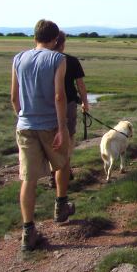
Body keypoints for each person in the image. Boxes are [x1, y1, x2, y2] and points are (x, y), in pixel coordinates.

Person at [10, 19, 76, 252]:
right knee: (62, 163)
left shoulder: (18, 58)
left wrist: (22, 117)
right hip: (50, 124)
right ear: (56, 39)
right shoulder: (58, 59)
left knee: (28, 178)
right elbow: (59, 96)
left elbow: (14, 98)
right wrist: (61, 127)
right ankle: (61, 206)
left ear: (35, 36)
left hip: (25, 124)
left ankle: (28, 231)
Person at [48, 31, 90, 188]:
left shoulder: (43, 61)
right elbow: (80, 85)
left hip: (47, 105)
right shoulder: (71, 60)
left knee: (50, 138)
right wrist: (85, 103)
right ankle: (64, 169)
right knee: (69, 137)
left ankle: (55, 172)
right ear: (63, 43)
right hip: (68, 104)